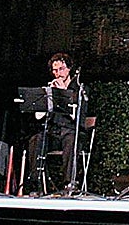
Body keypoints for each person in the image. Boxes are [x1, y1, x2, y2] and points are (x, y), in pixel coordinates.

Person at [24, 52, 85, 194]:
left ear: (69, 69)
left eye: (61, 69)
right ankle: (36, 184)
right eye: (55, 70)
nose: (58, 74)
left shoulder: (79, 90)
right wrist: (47, 97)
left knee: (71, 140)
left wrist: (64, 93)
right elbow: (39, 116)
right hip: (54, 132)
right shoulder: (50, 88)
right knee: (36, 140)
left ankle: (70, 183)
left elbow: (76, 117)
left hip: (70, 130)